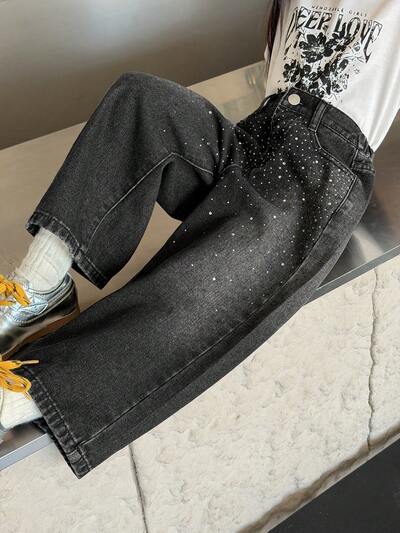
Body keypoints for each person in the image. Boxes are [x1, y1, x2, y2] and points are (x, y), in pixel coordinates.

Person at [0, 0, 396, 479]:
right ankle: (40, 289)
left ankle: (37, 389)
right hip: (257, 139)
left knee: (199, 289)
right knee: (142, 100)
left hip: (319, 177)